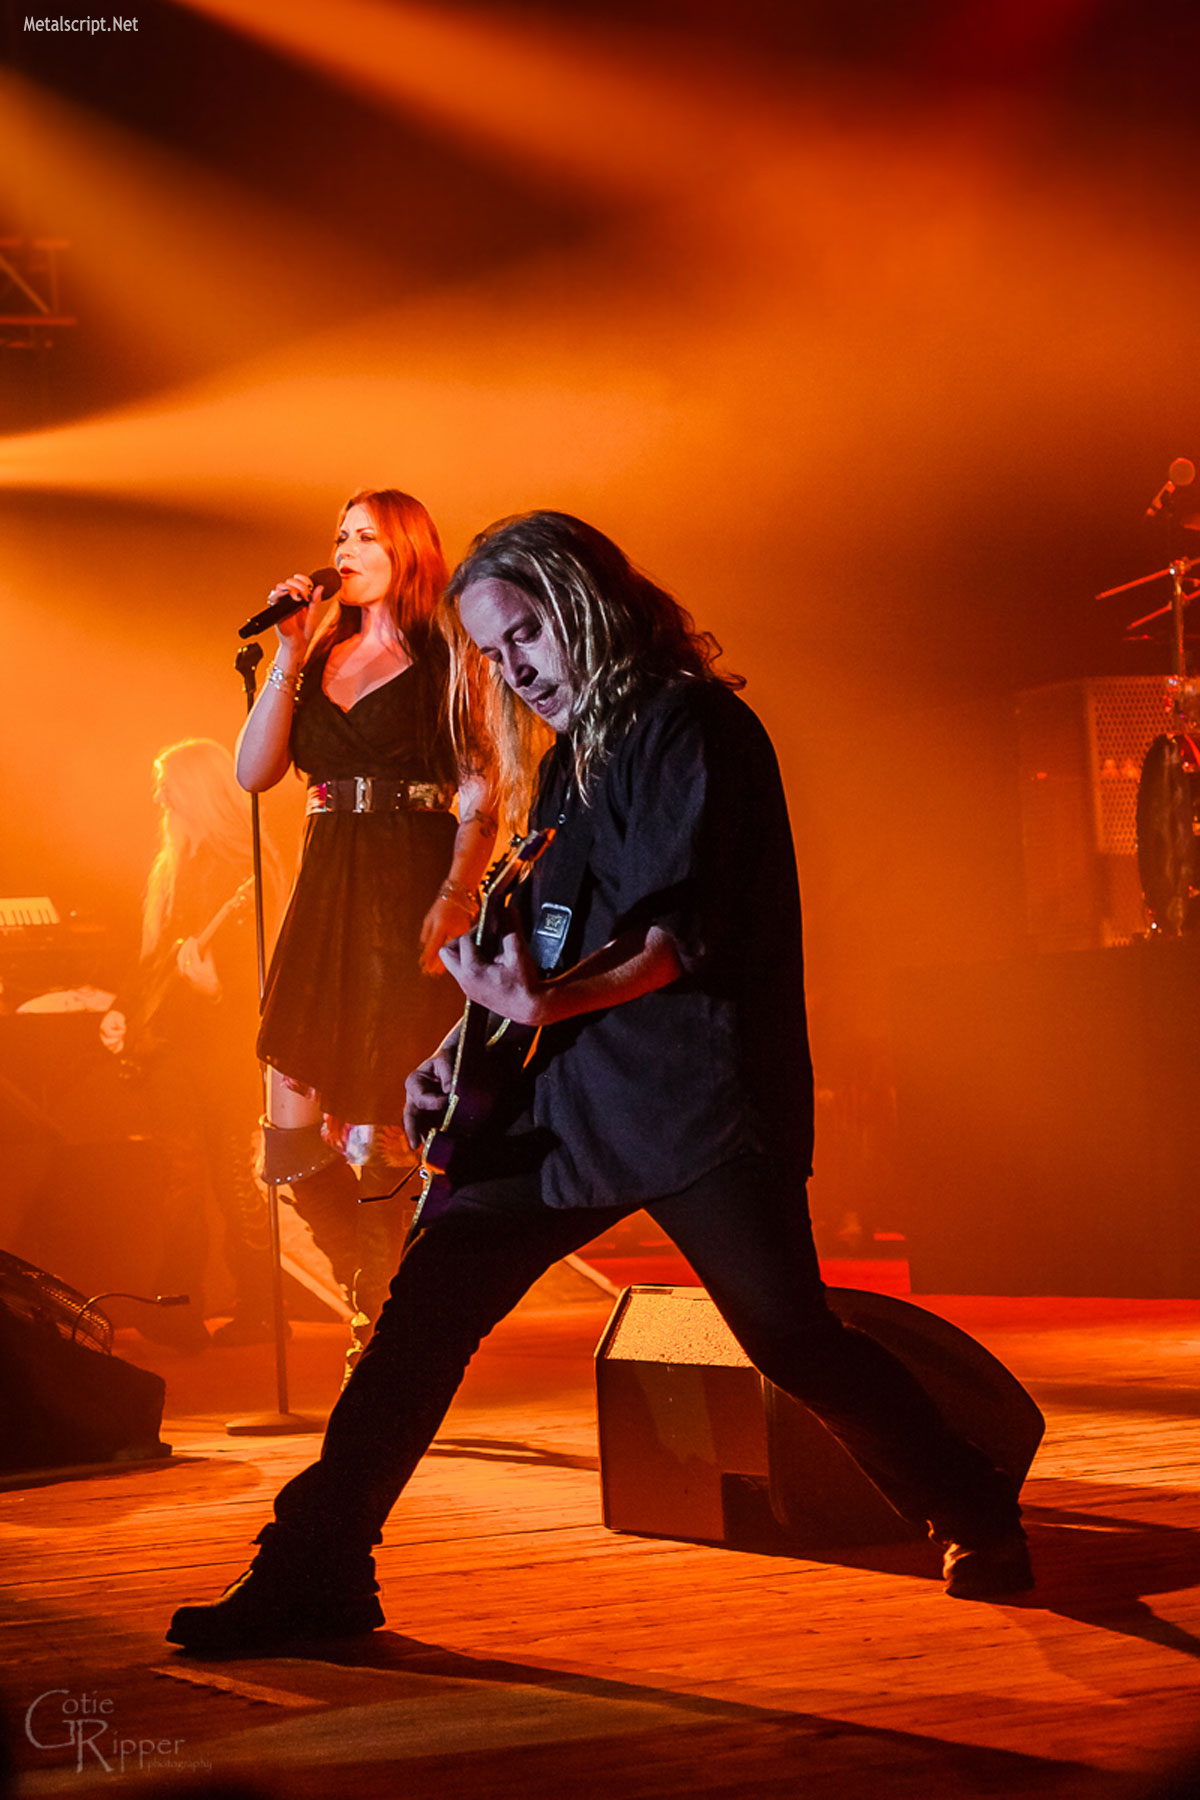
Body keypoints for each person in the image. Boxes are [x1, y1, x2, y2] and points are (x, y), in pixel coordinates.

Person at [167, 511, 1033, 1652]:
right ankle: (314, 1567)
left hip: (693, 1095)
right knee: (422, 1319)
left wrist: (546, 1004)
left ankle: (971, 1506)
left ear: (588, 604)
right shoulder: (570, 756)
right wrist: (457, 1047)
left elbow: (676, 934)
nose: (515, 668)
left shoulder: (695, 726)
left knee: (788, 1336)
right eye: (494, 651)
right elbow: (543, 928)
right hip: (563, 1099)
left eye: (527, 633)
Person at [236, 489, 497, 1357]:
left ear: (408, 551)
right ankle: (368, 1287)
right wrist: (290, 650)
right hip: (327, 891)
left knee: (388, 1127)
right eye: (340, 536)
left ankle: (381, 1333)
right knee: (289, 1130)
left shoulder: (450, 655)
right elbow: (253, 772)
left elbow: (481, 786)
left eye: (365, 538)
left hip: (407, 882)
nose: (344, 551)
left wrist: (456, 892)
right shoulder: (315, 652)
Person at [102, 737, 280, 1350]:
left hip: (226, 1045)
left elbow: (271, 966)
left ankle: (260, 1306)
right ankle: (177, 1308)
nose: (159, 798)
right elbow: (156, 959)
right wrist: (123, 1011)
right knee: (179, 1175)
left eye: (168, 786)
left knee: (235, 1178)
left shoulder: (247, 870)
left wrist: (218, 990)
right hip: (172, 1046)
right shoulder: (174, 866)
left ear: (199, 792)